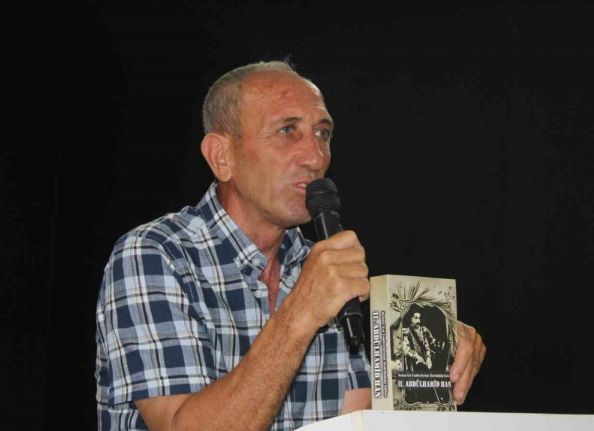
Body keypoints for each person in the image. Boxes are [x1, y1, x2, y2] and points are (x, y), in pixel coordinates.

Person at [95, 60, 486, 431]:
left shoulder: (316, 266)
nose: (316, 158)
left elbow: (359, 419)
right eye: (287, 131)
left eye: (323, 133)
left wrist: (430, 363)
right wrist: (300, 312)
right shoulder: (156, 255)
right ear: (222, 156)